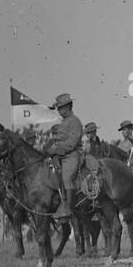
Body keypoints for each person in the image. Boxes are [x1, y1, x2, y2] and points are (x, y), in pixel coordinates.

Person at [44, 93, 83, 221]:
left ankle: (68, 209)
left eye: (61, 108)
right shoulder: (64, 122)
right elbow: (57, 139)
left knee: (66, 178)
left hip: (71, 156)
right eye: (58, 108)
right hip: (59, 157)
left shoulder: (75, 121)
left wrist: (56, 150)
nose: (59, 111)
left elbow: (72, 143)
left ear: (68, 107)